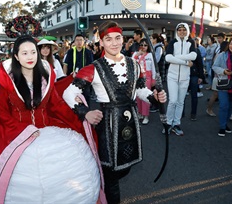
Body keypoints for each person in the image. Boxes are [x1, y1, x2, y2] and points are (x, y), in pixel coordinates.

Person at [0, 35, 103, 203]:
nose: (30, 57)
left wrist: (82, 114)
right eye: (24, 53)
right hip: (14, 130)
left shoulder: (46, 73)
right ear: (16, 56)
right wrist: (21, 129)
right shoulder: (8, 78)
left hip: (48, 129)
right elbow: (1, 110)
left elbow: (57, 104)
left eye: (33, 52)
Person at [63, 20, 167, 204]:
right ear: (101, 42)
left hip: (130, 123)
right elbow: (69, 93)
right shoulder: (93, 68)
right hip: (108, 126)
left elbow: (140, 90)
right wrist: (85, 112)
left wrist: (154, 98)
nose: (114, 42)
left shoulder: (134, 64)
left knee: (125, 167)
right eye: (108, 39)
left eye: (118, 38)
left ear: (122, 39)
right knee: (110, 173)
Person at [164, 23, 197, 136]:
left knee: (180, 102)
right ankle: (168, 123)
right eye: (179, 30)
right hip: (172, 76)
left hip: (185, 77)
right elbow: (167, 57)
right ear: (176, 31)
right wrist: (184, 62)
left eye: (184, 30)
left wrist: (175, 58)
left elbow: (193, 56)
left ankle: (176, 123)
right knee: (172, 100)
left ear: (187, 31)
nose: (182, 32)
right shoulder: (173, 42)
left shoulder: (191, 42)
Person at [132, 38, 156, 124]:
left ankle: (146, 116)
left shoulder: (150, 55)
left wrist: (154, 79)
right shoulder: (135, 54)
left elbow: (153, 68)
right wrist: (137, 55)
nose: (143, 47)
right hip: (137, 78)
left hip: (147, 78)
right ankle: (140, 113)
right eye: (141, 45)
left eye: (145, 45)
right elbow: (131, 63)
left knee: (146, 96)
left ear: (148, 46)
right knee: (138, 97)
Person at [187, 38, 205, 121]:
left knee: (185, 95)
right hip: (192, 75)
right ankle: (193, 114)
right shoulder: (196, 50)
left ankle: (189, 113)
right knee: (193, 95)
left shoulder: (196, 51)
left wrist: (201, 76)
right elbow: (200, 65)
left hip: (191, 75)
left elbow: (200, 64)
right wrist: (201, 76)